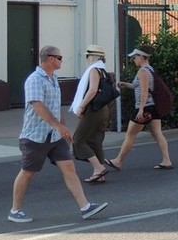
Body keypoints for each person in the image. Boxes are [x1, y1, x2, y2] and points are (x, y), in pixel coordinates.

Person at [8, 45, 108, 223]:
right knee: (28, 172)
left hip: (54, 136)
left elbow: (56, 107)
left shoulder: (54, 79)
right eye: (60, 58)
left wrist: (63, 128)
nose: (62, 60)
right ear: (50, 59)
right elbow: (37, 105)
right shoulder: (35, 80)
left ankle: (85, 207)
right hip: (35, 136)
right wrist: (57, 126)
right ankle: (15, 211)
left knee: (69, 168)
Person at [106, 45, 173, 171]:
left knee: (130, 135)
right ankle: (166, 160)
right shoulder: (149, 70)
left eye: (135, 56)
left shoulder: (142, 72)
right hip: (153, 107)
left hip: (144, 107)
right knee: (158, 133)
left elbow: (144, 90)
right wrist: (127, 85)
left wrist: (141, 109)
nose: (134, 59)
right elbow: (140, 86)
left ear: (142, 57)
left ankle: (118, 161)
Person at [70, 44, 113, 183]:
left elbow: (93, 90)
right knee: (95, 141)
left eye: (87, 56)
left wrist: (82, 106)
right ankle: (99, 174)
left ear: (92, 57)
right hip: (103, 109)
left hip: (93, 110)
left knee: (78, 140)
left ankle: (98, 168)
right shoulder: (104, 71)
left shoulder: (94, 70)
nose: (86, 59)